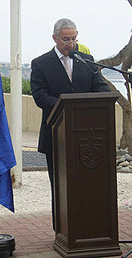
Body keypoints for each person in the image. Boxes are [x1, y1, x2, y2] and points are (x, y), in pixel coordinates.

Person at [30, 18, 111, 228]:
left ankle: (87, 226)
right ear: (55, 38)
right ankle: (62, 229)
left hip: (87, 136)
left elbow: (99, 87)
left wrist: (102, 100)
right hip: (56, 134)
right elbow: (39, 96)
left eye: (74, 38)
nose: (71, 44)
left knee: (87, 184)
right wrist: (66, 106)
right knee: (60, 185)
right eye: (66, 39)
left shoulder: (87, 59)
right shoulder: (40, 63)